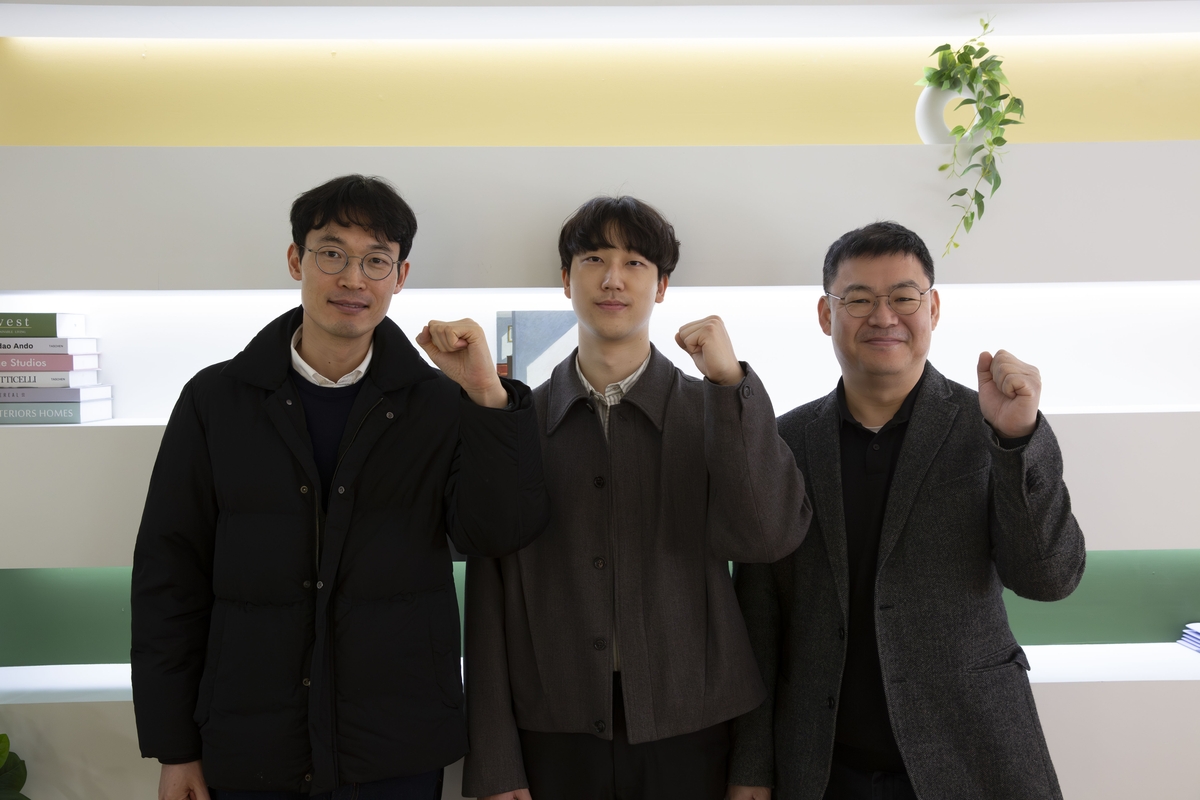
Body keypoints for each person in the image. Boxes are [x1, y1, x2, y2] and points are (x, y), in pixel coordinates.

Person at [131, 174, 550, 800]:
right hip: (249, 746)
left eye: (375, 260)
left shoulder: (440, 403)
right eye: (332, 253)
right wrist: (175, 747)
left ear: (400, 277)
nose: (353, 279)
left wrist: (486, 396)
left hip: (395, 745)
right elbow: (169, 577)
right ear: (296, 260)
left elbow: (497, 531)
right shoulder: (216, 400)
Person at [462, 196, 812, 800]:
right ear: (566, 279)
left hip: (695, 731)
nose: (613, 279)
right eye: (594, 259)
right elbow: (488, 589)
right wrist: (494, 762)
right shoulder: (519, 424)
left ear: (662, 286)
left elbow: (767, 538)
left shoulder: (713, 409)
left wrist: (730, 385)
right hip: (552, 734)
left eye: (635, 263)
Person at [728, 221, 1086, 800]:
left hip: (972, 756)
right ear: (825, 314)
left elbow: (1049, 578)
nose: (883, 317)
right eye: (859, 299)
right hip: (822, 768)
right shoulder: (784, 442)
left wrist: (1017, 441)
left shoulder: (990, 426)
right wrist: (750, 767)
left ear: (933, 308)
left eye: (903, 297)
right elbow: (759, 618)